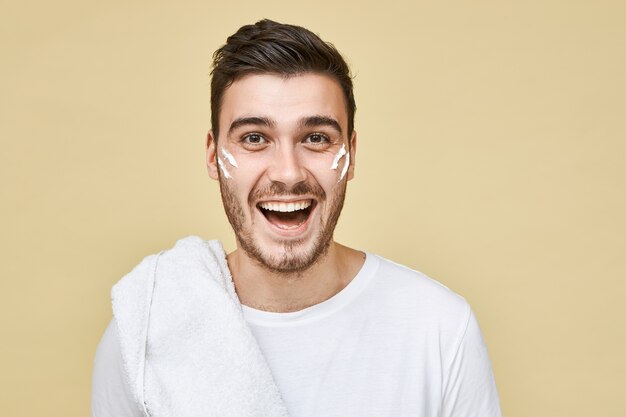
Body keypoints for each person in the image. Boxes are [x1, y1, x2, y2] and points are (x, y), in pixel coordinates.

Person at [91, 19, 502, 417]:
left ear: (351, 154)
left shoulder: (441, 328)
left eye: (316, 138)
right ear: (213, 156)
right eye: (255, 138)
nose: (288, 173)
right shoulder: (144, 337)